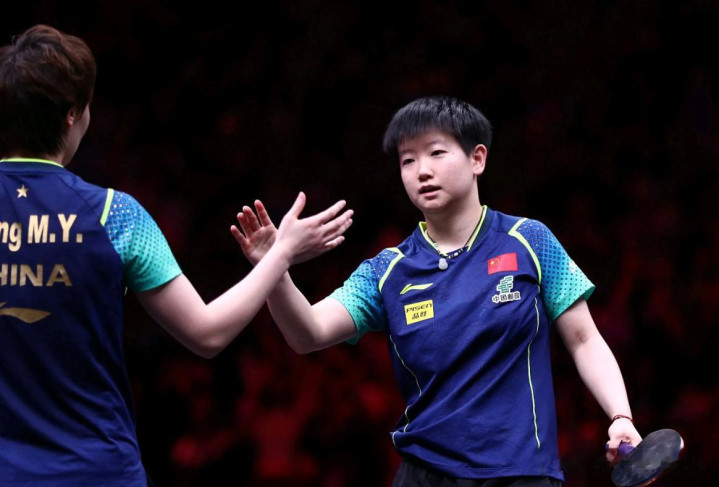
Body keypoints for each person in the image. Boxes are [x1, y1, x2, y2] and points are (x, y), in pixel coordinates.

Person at [0, 24, 352, 486]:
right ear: (71, 116)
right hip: (96, 472)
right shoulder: (115, 215)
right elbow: (207, 333)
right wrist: (281, 253)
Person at [232, 95, 642, 486]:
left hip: (521, 472)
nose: (421, 171)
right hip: (425, 474)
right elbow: (307, 333)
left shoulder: (530, 241)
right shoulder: (386, 271)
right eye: (407, 160)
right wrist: (274, 267)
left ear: (477, 158)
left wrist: (620, 415)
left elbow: (584, 339)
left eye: (436, 153)